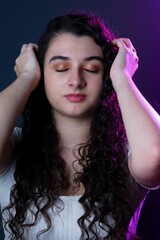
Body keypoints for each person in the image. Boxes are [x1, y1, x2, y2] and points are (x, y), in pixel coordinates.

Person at [0, 11, 160, 240]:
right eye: (61, 68)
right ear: (41, 75)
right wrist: (26, 77)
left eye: (92, 69)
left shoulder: (130, 152)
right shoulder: (13, 145)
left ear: (106, 77)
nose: (75, 80)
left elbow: (156, 155)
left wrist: (123, 77)